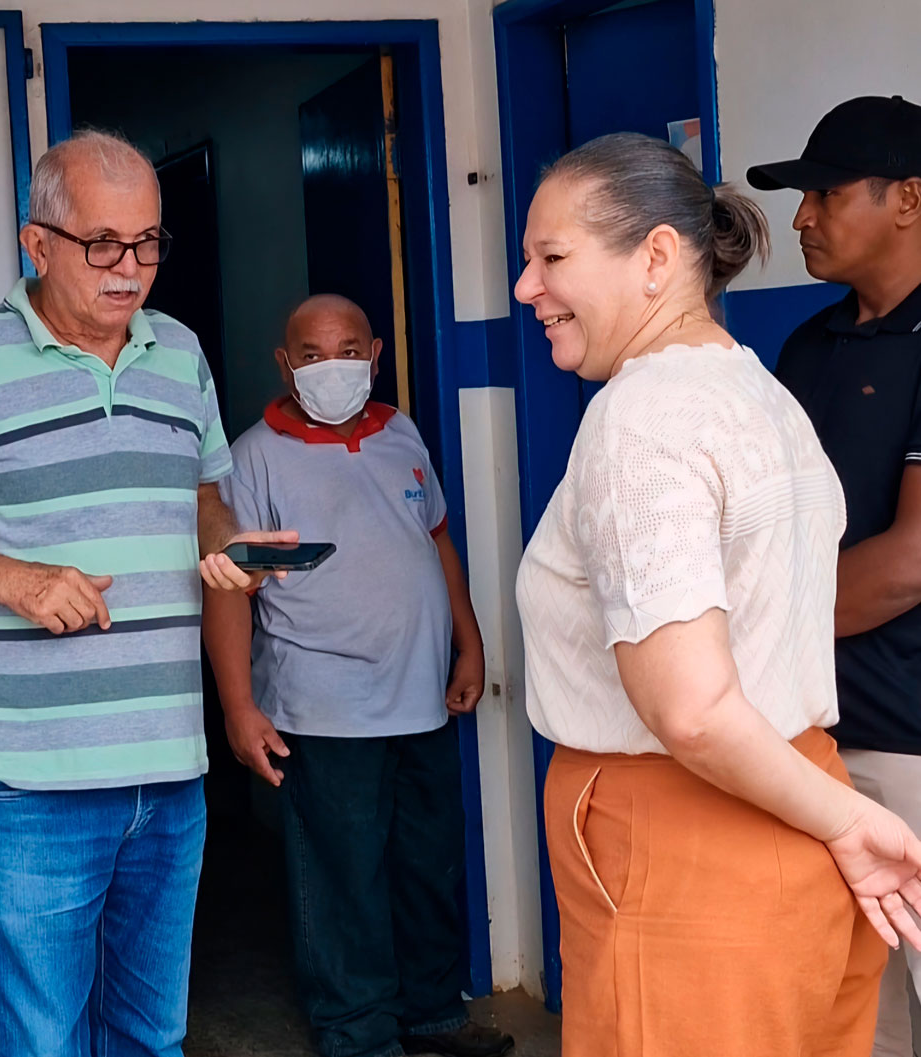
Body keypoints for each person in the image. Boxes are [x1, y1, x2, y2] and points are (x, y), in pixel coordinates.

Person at [0, 129, 293, 1057]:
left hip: (170, 771)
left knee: (152, 1035)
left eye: (148, 243)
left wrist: (233, 550)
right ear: (37, 242)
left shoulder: (180, 354)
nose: (129, 267)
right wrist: (4, 575)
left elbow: (205, 497)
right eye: (103, 243)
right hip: (35, 784)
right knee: (45, 1044)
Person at [512, 131, 921, 1057]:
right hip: (797, 803)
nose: (525, 287)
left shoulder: (643, 416)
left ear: (656, 256)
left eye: (552, 258)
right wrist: (840, 815)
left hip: (686, 845)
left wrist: (855, 820)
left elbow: (690, 711)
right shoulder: (764, 396)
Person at [202, 294, 514, 1057]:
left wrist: (469, 645)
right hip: (323, 708)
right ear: (285, 364)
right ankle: (358, 1033)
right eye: (310, 353)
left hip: (420, 699)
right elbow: (228, 587)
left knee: (425, 867)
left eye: (346, 349)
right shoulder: (252, 458)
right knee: (342, 883)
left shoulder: (400, 434)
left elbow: (435, 543)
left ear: (375, 354)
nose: (330, 366)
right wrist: (239, 708)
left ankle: (433, 1014)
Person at [747, 95, 921, 1057]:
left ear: (908, 198)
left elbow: (908, 563)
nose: (802, 216)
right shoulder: (806, 348)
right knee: (855, 1018)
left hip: (910, 744)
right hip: (812, 739)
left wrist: (742, 642)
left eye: (824, 192)